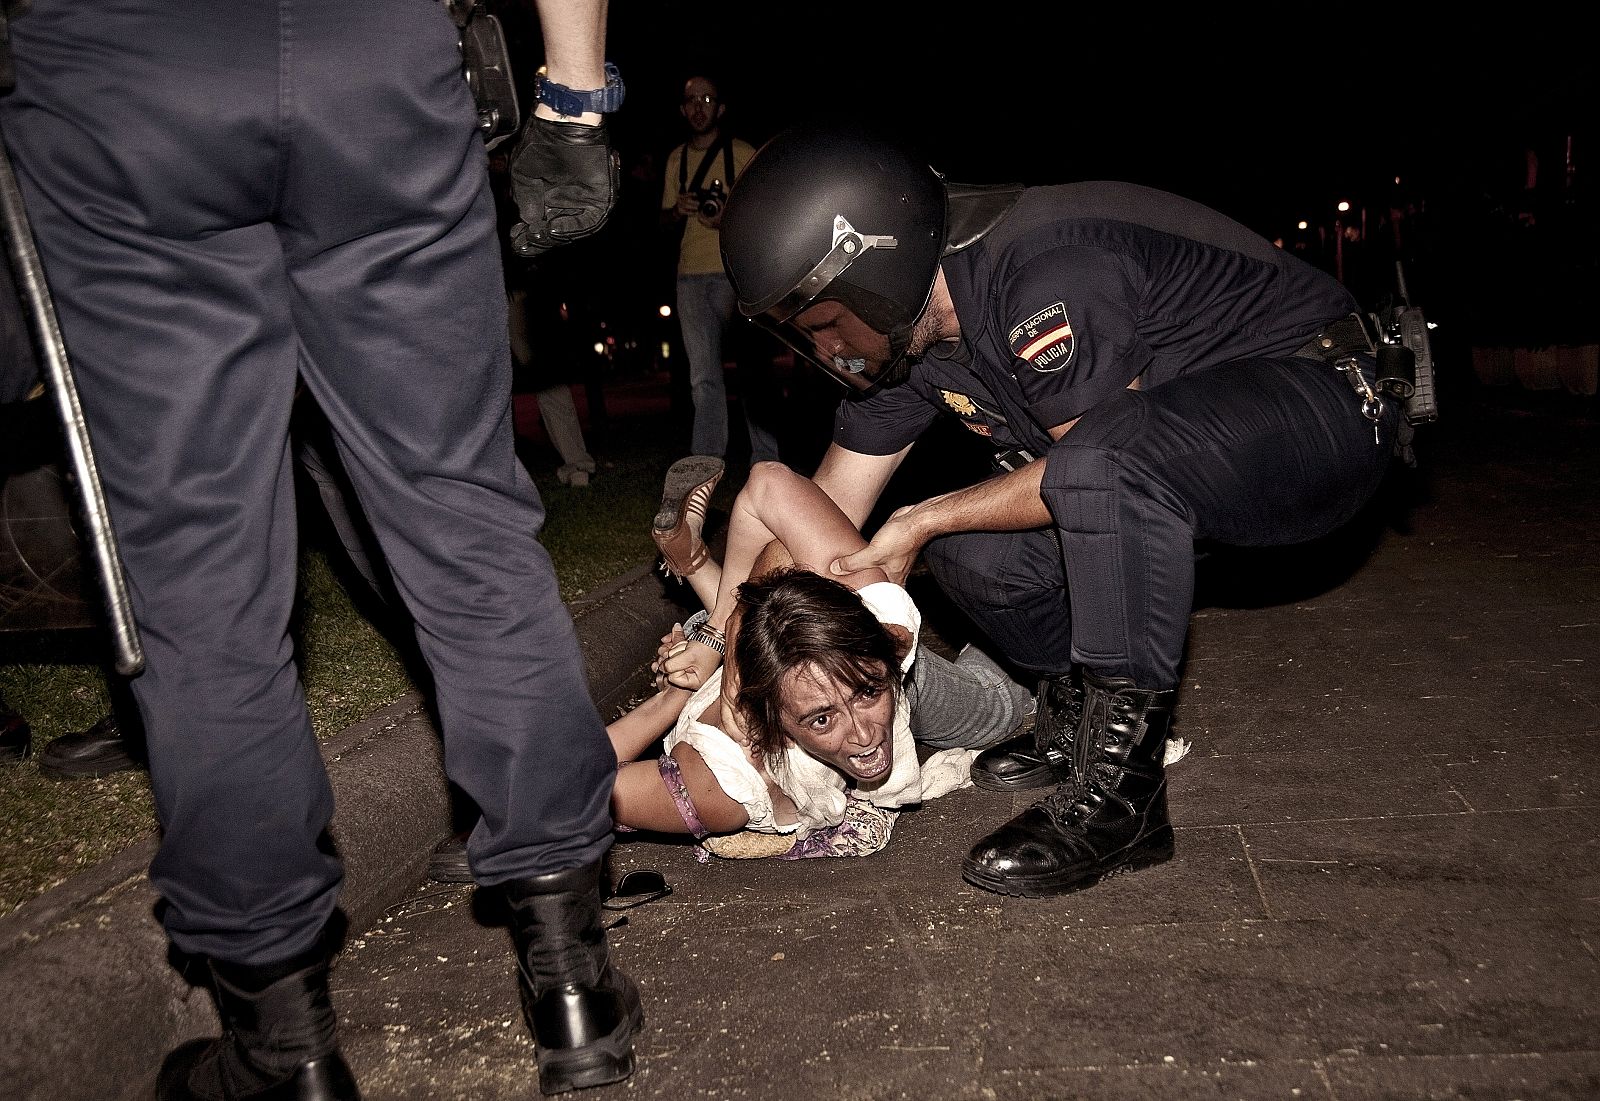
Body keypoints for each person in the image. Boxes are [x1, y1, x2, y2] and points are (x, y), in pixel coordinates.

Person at [0, 2, 641, 1097]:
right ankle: (570, 982)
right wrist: (573, 102)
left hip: (127, 71)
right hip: (375, 56)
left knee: (199, 569)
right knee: (464, 517)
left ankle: (285, 1047)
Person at [717, 125, 1405, 900]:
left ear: (875, 266)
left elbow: (1092, 460)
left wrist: (922, 517)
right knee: (973, 560)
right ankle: (1079, 720)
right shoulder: (915, 341)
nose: (828, 347)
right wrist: (728, 653)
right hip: (1176, 457)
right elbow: (824, 508)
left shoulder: (1044, 270)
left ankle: (1122, 798)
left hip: (1324, 410)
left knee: (1081, 471)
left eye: (826, 321)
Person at [659, 74, 780, 466]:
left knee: (752, 371)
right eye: (691, 100)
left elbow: (767, 213)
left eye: (707, 99)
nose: (699, 107)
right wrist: (677, 211)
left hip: (735, 276)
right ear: (682, 108)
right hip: (689, 276)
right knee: (703, 378)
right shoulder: (676, 159)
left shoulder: (743, 152)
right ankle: (706, 461)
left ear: (720, 107)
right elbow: (661, 222)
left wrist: (729, 217)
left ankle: (767, 460)